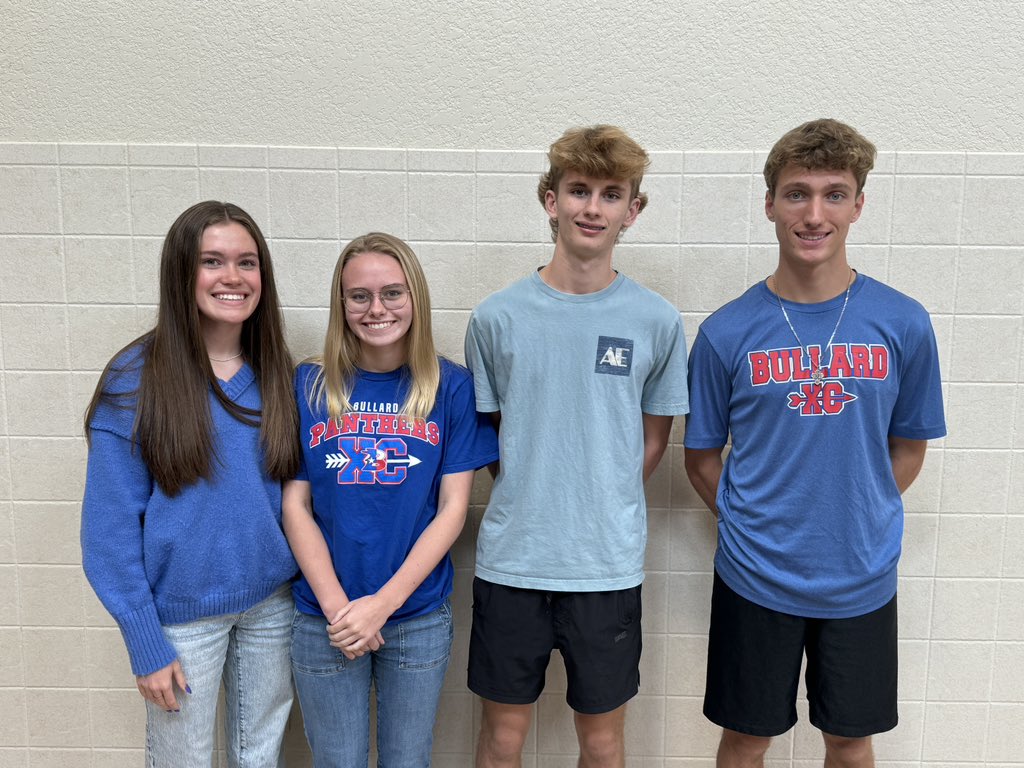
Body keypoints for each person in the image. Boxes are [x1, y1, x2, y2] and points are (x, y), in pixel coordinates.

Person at [683, 119, 946, 768]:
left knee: (851, 743)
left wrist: (856, 512)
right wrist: (753, 523)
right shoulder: (725, 332)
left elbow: (910, 448)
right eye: (797, 193)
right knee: (746, 741)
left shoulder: (904, 323)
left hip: (861, 575)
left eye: (834, 193)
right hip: (755, 576)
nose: (814, 213)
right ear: (769, 203)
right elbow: (700, 458)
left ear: (859, 204)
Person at [464, 125, 689, 767]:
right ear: (550, 199)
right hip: (514, 562)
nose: (593, 207)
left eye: (611, 194)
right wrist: (540, 489)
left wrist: (600, 494)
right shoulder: (497, 318)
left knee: (602, 740)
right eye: (579, 190)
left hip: (605, 565)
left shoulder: (655, 320)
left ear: (632, 211)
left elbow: (652, 440)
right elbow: (494, 438)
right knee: (503, 739)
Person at [81, 201, 300, 766]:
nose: (233, 277)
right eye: (213, 261)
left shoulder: (276, 370)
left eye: (247, 263)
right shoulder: (135, 379)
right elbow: (108, 532)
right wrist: (144, 641)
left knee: (260, 758)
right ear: (182, 272)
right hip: (180, 620)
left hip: (271, 607)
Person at [284, 232, 498, 767]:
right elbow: (294, 506)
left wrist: (382, 606)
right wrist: (341, 610)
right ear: (341, 304)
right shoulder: (308, 386)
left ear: (415, 299)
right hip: (324, 617)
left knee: (408, 760)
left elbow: (453, 511)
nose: (376, 308)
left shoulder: (451, 387)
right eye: (360, 295)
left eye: (392, 293)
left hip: (416, 616)